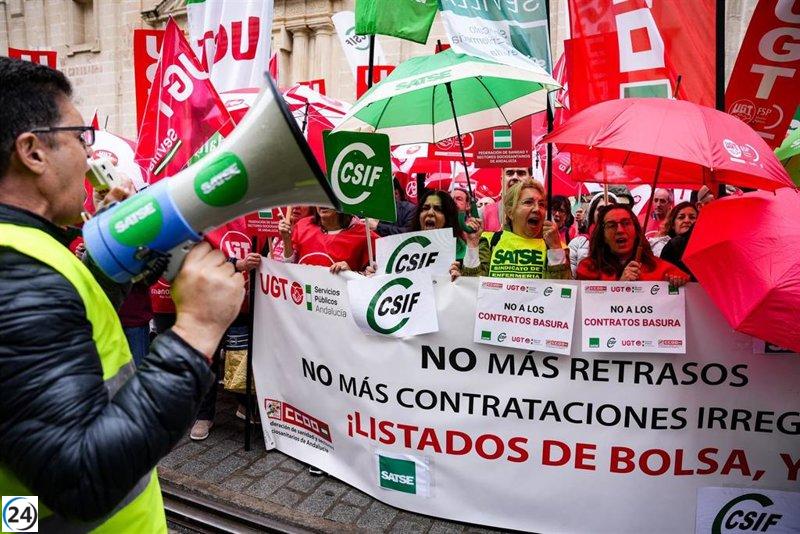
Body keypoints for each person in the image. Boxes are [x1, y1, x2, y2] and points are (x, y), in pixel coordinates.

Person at [0, 57, 244, 531]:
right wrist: (196, 330)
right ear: (32, 152)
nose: (90, 156)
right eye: (80, 137)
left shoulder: (26, 249)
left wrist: (111, 267)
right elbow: (80, 479)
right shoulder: (14, 269)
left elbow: (71, 336)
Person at [460, 179, 571, 279]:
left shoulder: (558, 247)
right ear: (510, 212)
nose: (537, 209)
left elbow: (560, 293)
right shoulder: (489, 241)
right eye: (528, 202)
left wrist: (555, 249)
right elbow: (473, 286)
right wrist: (473, 245)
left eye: (541, 204)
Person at [576, 204, 689, 286]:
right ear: (603, 236)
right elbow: (590, 309)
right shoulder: (588, 268)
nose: (620, 230)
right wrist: (620, 287)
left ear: (636, 231)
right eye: (611, 225)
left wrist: (679, 282)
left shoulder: (661, 269)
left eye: (626, 223)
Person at [278, 206, 374, 273]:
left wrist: (351, 274)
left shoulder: (365, 235)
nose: (323, 203)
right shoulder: (302, 225)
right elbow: (290, 267)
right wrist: (286, 239)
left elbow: (377, 279)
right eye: (320, 197)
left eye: (329, 197)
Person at [568, 192, 618, 277]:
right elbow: (569, 279)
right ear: (592, 214)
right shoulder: (577, 243)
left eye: (610, 208)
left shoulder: (622, 243)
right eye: (601, 209)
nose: (605, 212)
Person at [481, 166, 532, 232]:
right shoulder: (485, 212)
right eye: (510, 173)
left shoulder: (540, 213)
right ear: (502, 180)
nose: (515, 177)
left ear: (531, 180)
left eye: (521, 173)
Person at [660, 202, 700, 281]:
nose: (687, 220)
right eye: (681, 217)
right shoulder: (669, 247)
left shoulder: (705, 247)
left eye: (692, 217)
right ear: (673, 225)